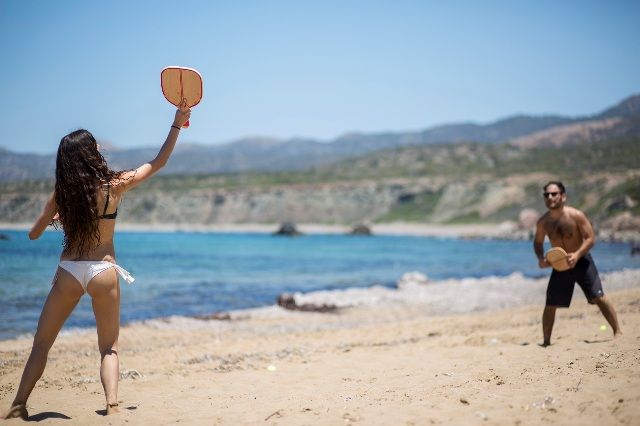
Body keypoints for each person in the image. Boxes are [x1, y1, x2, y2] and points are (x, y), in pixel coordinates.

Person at [3, 104, 191, 419]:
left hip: (69, 272)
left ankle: (18, 405)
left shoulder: (61, 194)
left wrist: (58, 217)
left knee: (41, 344)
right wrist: (176, 123)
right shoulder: (113, 185)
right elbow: (158, 161)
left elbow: (33, 234)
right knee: (109, 347)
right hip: (104, 270)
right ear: (92, 154)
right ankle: (112, 405)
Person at [533, 181, 621, 346]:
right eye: (547, 195)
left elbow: (590, 238)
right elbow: (537, 242)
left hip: (582, 261)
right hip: (560, 265)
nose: (550, 197)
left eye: (554, 194)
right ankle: (546, 341)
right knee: (550, 303)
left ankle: (617, 331)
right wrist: (540, 258)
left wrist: (578, 254)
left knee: (598, 297)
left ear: (563, 196)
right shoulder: (543, 222)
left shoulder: (575, 215)